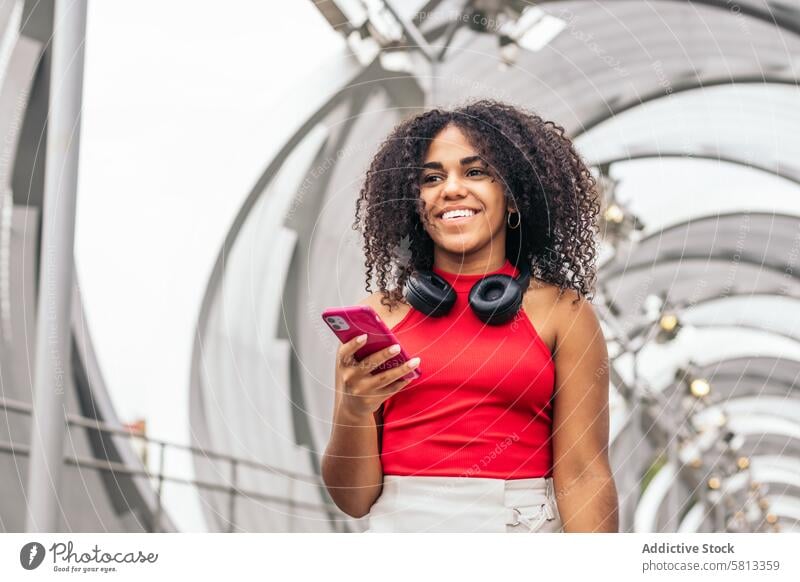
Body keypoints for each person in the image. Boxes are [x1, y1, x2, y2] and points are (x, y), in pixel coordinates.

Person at [321, 99, 619, 533]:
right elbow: (354, 501)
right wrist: (352, 411)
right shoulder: (376, 317)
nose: (452, 189)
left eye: (475, 172)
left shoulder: (565, 315)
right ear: (416, 205)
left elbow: (583, 475)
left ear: (514, 199)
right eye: (431, 178)